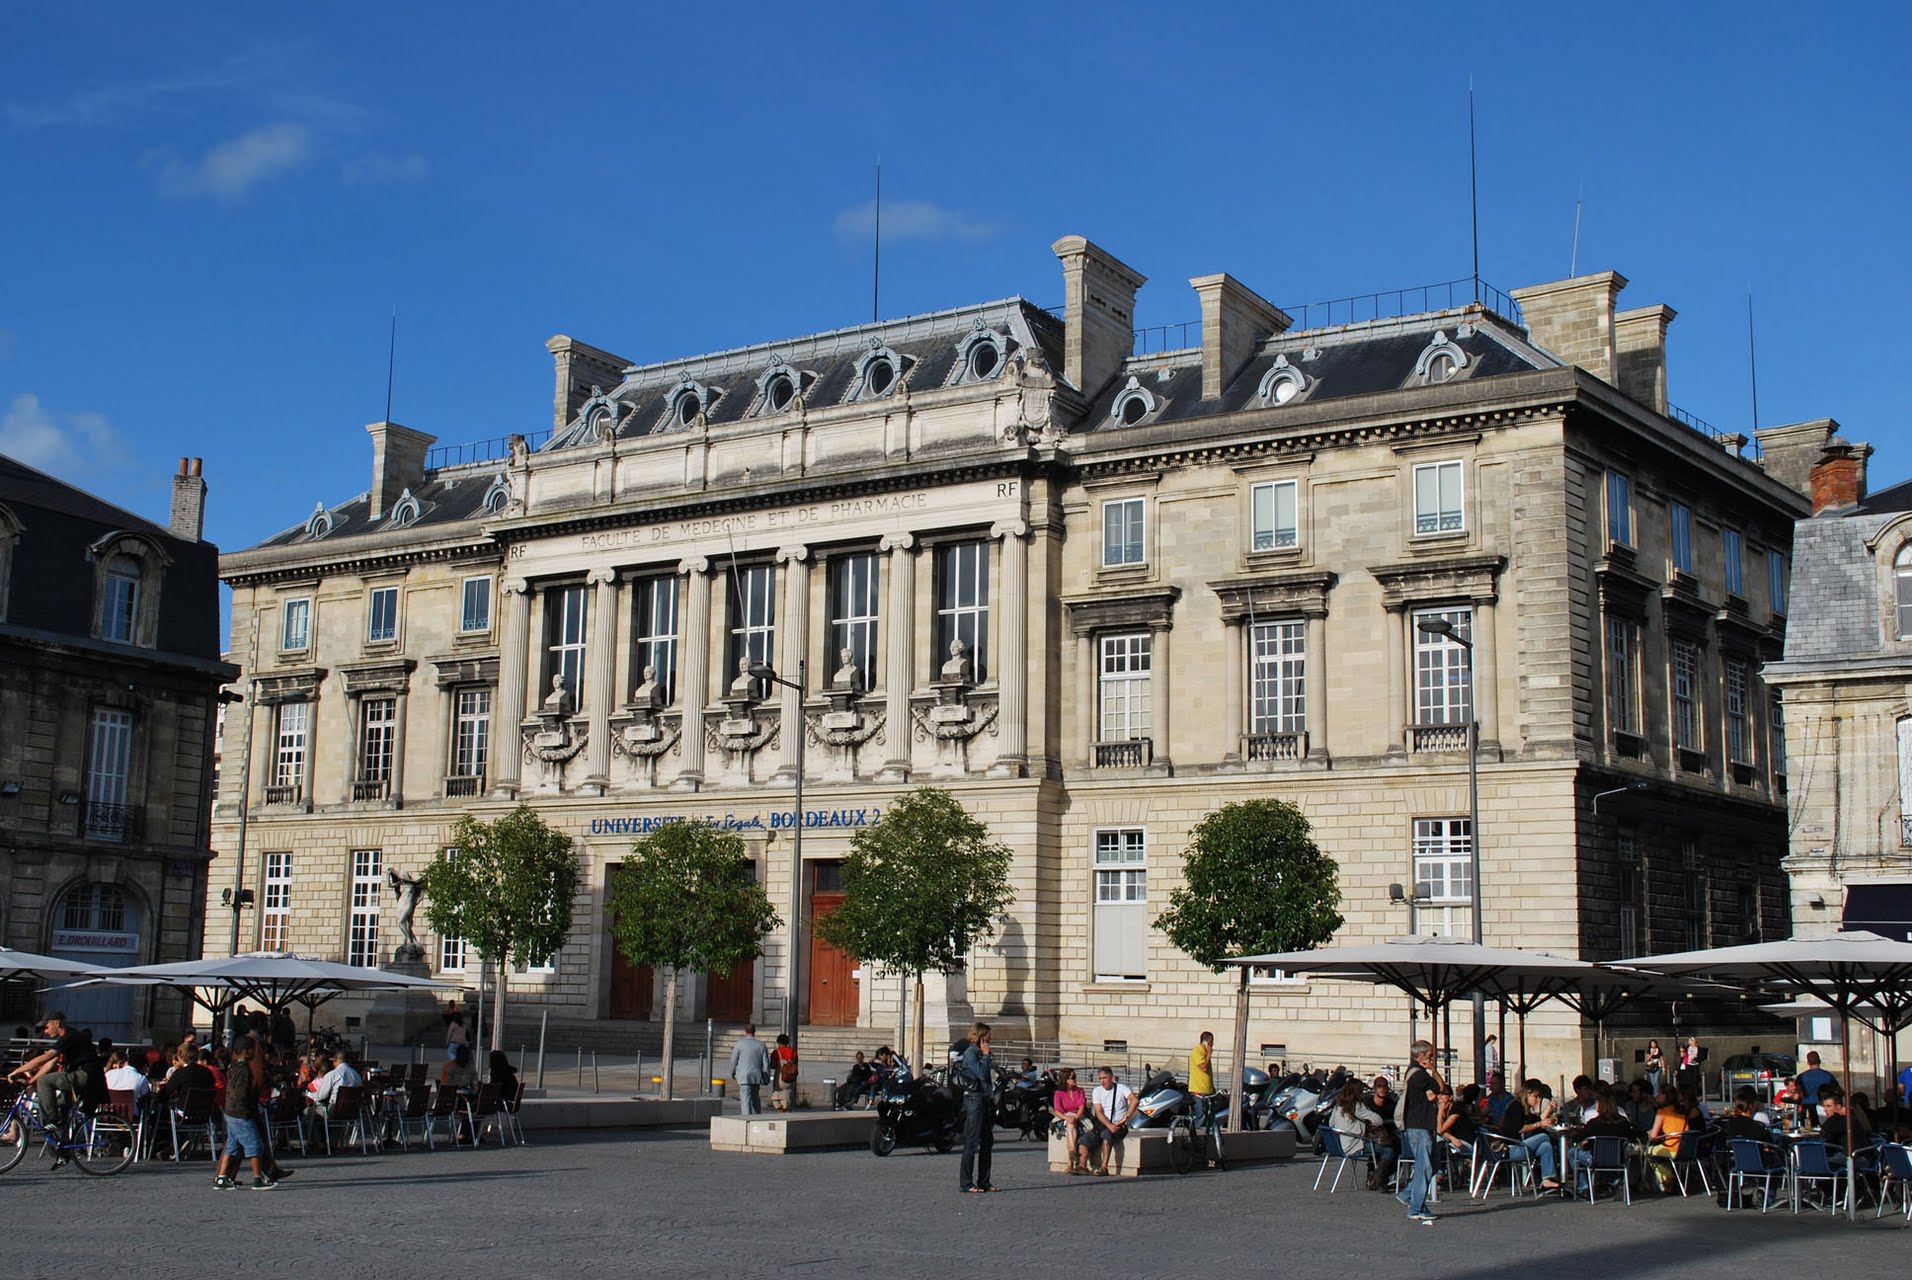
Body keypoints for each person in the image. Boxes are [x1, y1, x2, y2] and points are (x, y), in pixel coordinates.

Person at [7, 1011, 100, 1131]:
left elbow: (45, 1058)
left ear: (56, 1023)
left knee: (44, 1081)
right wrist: (31, 1081)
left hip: (86, 1075)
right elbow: (50, 1063)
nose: (45, 1031)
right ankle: (64, 1143)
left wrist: (17, 1071)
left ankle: (53, 1120)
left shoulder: (70, 1037)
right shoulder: (67, 1037)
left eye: (46, 1027)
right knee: (62, 1107)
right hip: (89, 1077)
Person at [211, 1037, 275, 1191]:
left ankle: (221, 1177)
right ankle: (257, 1178)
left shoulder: (232, 1066)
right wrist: (248, 1107)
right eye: (253, 1050)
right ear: (246, 1051)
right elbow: (241, 1093)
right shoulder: (244, 1070)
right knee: (254, 1144)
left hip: (230, 1111)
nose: (255, 1053)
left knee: (232, 1146)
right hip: (240, 1113)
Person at [1398, 1040, 1442, 1224]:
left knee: (1429, 1163)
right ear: (1421, 1055)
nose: (1433, 1057)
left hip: (1417, 1125)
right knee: (1424, 1166)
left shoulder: (1412, 1072)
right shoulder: (1419, 1075)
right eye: (1430, 1055)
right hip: (1420, 1126)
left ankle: (1408, 1194)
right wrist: (1433, 1069)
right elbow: (1441, 1087)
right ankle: (1416, 1208)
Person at [1330, 1078, 1394, 1190]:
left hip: (1340, 1144)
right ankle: (1377, 1179)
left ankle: (1372, 1176)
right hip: (1354, 1145)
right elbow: (1377, 1120)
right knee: (1388, 1150)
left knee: (1377, 1147)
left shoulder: (1338, 1106)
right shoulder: (1357, 1106)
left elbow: (1331, 1123)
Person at [955, 1022, 996, 1193]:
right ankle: (966, 1183)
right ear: (980, 1036)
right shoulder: (971, 1053)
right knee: (972, 1141)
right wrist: (986, 1057)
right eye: (987, 1035)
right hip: (974, 1099)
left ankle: (984, 1181)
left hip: (985, 1098)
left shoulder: (980, 1053)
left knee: (987, 1142)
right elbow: (981, 1073)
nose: (990, 1038)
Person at [1080, 1065, 1134, 1177]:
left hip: (1118, 1125)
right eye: (1100, 1078)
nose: (1102, 1081)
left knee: (1106, 1135)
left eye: (1104, 1078)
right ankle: (1082, 1165)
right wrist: (1109, 1125)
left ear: (1111, 1077)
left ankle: (1104, 1167)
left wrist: (1126, 1117)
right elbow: (1099, 1111)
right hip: (1104, 1124)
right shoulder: (1097, 1091)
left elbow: (1134, 1100)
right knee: (1084, 1139)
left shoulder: (1121, 1088)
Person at [1516, 1080, 1562, 1191]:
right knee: (1544, 1137)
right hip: (1514, 1146)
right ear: (1527, 1095)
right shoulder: (1517, 1108)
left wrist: (1548, 1109)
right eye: (1535, 1097)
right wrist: (1540, 1124)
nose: (1538, 1100)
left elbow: (1538, 1119)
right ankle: (1554, 1175)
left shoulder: (1527, 1111)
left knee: (1546, 1146)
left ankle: (1548, 1179)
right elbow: (1519, 1129)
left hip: (1524, 1144)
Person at [1644, 1086, 1690, 1192]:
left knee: (1648, 1152)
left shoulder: (1662, 1112)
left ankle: (1667, 1179)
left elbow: (1653, 1136)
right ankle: (1669, 1179)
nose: (1657, 1096)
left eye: (1659, 1093)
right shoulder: (1682, 1111)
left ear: (1666, 1096)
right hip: (1686, 1148)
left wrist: (1649, 1132)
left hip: (1671, 1148)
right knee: (1660, 1152)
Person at [727, 1023, 772, 1116]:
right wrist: (767, 1076)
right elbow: (766, 1063)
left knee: (745, 1099)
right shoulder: (761, 1045)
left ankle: (746, 1118)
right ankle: (756, 1117)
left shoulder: (739, 1044)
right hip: (756, 1076)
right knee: (755, 1098)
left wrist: (733, 1072)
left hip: (743, 1076)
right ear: (754, 1031)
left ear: (745, 1031)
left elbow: (733, 1060)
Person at [1052, 1068, 1088, 1173]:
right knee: (1070, 1125)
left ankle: (1071, 1159)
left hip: (1078, 1116)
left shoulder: (1080, 1091)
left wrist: (1075, 1117)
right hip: (1064, 1117)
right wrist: (1067, 1118)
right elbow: (1057, 1111)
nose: (1075, 1080)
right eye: (1072, 1078)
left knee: (1071, 1126)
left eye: (1075, 1077)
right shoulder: (1059, 1093)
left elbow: (1081, 1106)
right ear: (1066, 1080)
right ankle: (1072, 1154)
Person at [770, 1034, 798, 1111]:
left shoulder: (776, 1052)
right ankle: (786, 1109)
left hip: (779, 1076)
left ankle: (782, 1110)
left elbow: (773, 1065)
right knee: (787, 1095)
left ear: (778, 1043)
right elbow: (795, 1064)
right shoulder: (793, 1052)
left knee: (776, 1095)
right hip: (790, 1077)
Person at [1189, 1030, 1215, 1097]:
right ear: (1204, 1042)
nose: (1211, 1045)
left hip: (1207, 1089)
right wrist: (1209, 1055)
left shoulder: (1205, 1052)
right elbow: (1204, 1068)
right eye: (1210, 1043)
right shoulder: (1197, 1051)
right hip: (1199, 1090)